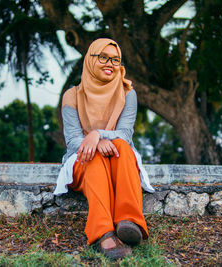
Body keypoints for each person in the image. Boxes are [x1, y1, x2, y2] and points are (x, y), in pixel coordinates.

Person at [54, 38, 154, 260]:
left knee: (123, 147)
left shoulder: (128, 93)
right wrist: (94, 143)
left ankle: (129, 222)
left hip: (117, 159)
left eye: (115, 60)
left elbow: (125, 134)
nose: (110, 63)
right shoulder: (72, 95)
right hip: (83, 161)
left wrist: (97, 133)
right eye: (103, 57)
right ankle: (103, 234)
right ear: (90, 60)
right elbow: (72, 141)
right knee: (94, 158)